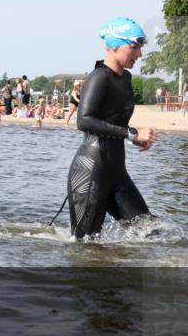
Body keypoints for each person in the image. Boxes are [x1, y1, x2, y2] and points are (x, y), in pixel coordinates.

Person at [66, 17, 156, 239]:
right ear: (115, 46)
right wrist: (130, 133)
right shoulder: (99, 77)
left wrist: (134, 135)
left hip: (116, 172)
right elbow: (84, 120)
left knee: (150, 232)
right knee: (85, 246)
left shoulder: (125, 78)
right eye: (134, 48)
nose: (139, 55)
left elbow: (115, 121)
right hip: (90, 171)